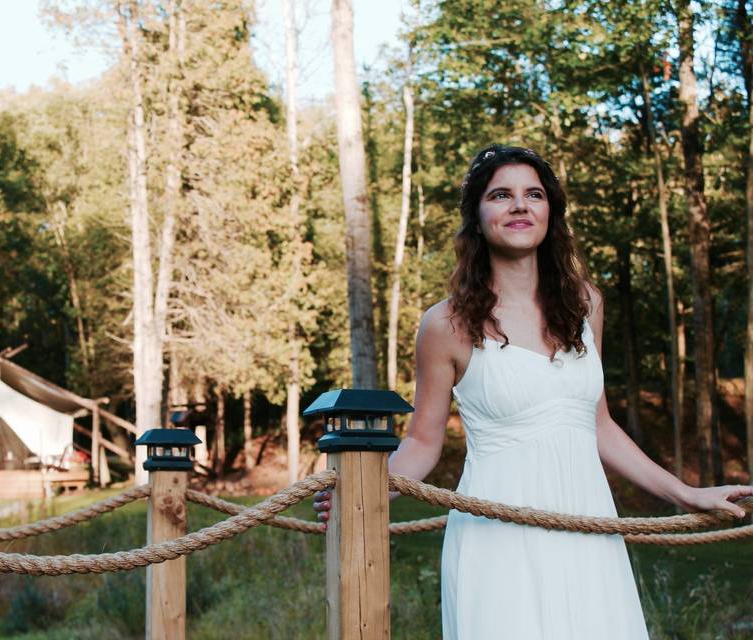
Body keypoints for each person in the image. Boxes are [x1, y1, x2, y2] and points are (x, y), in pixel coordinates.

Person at [312, 144, 753, 639]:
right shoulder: (446, 324)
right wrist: (370, 492)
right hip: (496, 533)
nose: (520, 205)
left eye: (534, 194)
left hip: (589, 525)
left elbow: (597, 424)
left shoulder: (587, 304)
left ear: (550, 213)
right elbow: (422, 441)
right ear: (477, 218)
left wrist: (685, 493)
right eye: (501, 195)